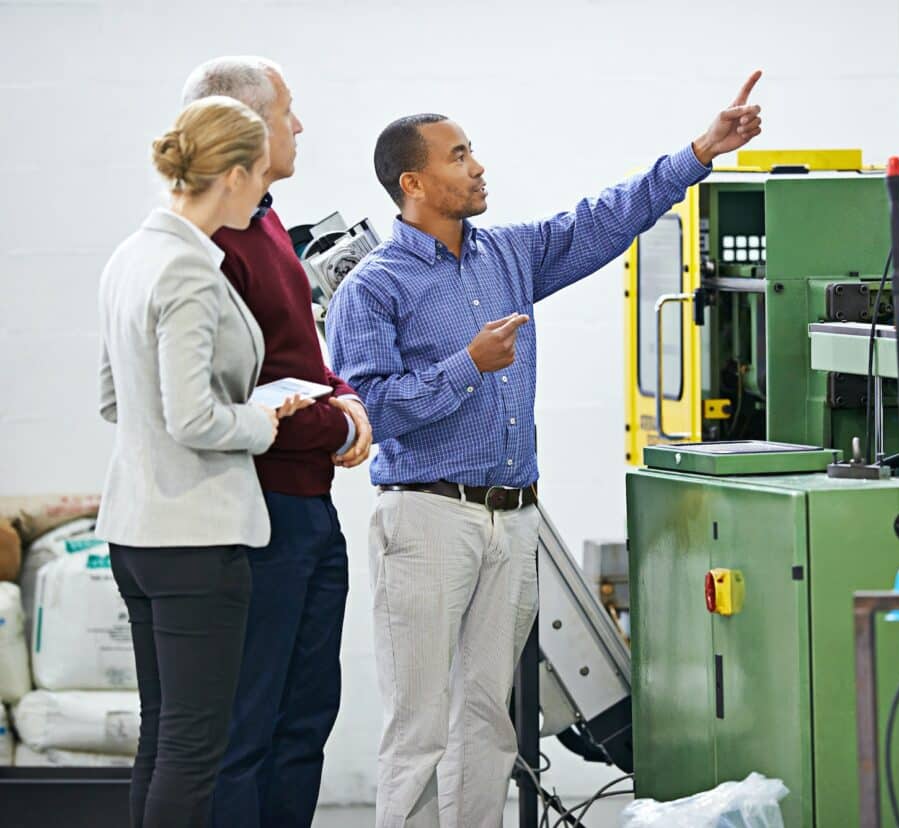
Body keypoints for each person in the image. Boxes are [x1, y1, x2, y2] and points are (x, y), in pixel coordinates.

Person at [327, 70, 764, 828]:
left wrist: (700, 152)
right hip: (427, 521)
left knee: (488, 721)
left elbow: (603, 220)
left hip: (513, 517)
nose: (479, 166)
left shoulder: (509, 256)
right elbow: (369, 410)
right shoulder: (373, 288)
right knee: (419, 727)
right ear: (415, 182)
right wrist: (468, 364)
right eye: (460, 155)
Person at [96, 96, 312, 827]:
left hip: (136, 529)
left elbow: (115, 400)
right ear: (234, 173)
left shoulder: (132, 255)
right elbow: (191, 417)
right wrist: (260, 419)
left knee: (163, 742)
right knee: (196, 751)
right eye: (259, 177)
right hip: (194, 537)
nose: (264, 193)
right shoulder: (190, 270)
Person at [178, 56, 374, 828]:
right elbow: (230, 398)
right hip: (257, 517)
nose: (300, 126)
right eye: (288, 110)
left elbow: (298, 361)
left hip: (308, 509)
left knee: (305, 720)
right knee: (248, 730)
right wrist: (342, 422)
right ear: (247, 125)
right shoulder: (210, 247)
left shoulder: (266, 226)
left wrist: (347, 395)